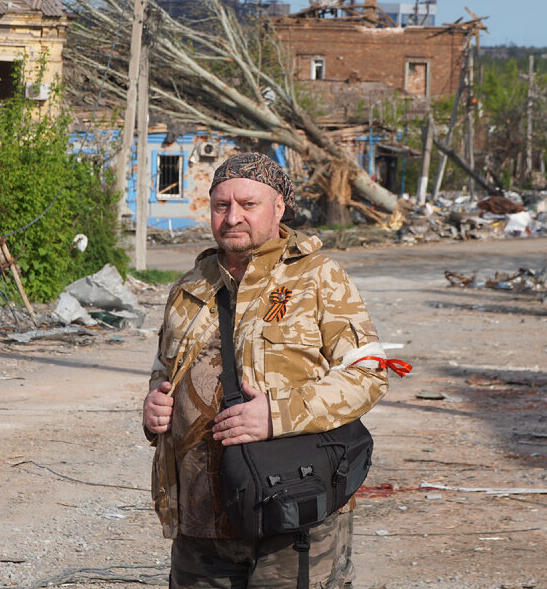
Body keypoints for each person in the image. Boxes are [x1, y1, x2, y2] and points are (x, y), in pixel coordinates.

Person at [142, 152, 393, 589]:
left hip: (293, 513)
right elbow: (164, 371)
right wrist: (153, 406)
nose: (232, 217)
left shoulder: (320, 278)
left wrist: (278, 415)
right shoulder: (189, 287)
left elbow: (370, 373)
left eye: (248, 204)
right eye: (221, 206)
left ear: (279, 208)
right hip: (202, 522)